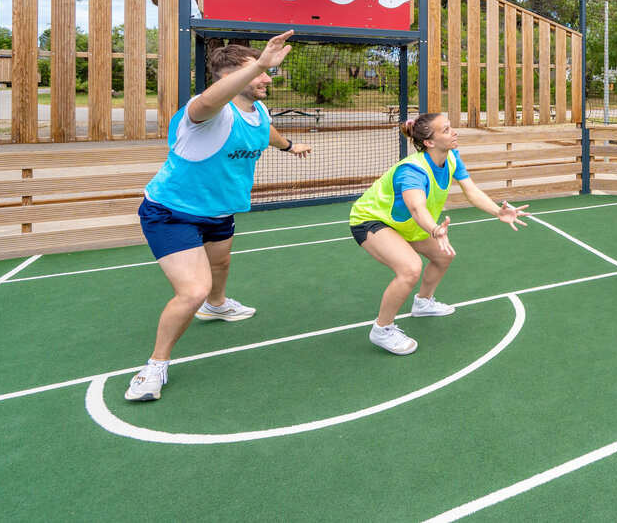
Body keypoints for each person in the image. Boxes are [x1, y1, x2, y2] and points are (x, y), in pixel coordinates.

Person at [126, 30, 313, 402]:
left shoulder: (257, 109)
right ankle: (155, 366)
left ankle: (218, 305)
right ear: (231, 78)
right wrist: (258, 63)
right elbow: (207, 102)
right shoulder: (206, 111)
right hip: (172, 212)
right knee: (192, 290)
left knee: (221, 263)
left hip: (219, 211)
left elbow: (267, 130)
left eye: (266, 71)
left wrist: (290, 146)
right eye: (259, 72)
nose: (267, 77)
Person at [349, 112, 529, 355]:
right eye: (445, 130)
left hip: (406, 224)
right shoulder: (413, 171)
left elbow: (471, 192)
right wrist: (434, 230)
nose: (453, 132)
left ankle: (423, 303)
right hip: (372, 221)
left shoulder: (452, 157)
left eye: (450, 126)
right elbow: (416, 207)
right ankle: (382, 329)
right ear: (429, 142)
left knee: (444, 256)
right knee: (410, 268)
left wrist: (499, 212)